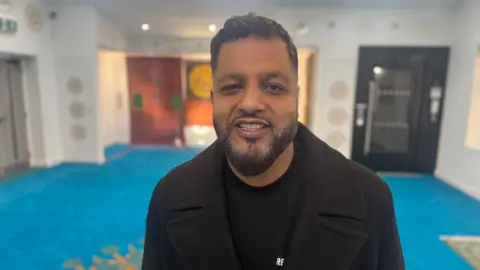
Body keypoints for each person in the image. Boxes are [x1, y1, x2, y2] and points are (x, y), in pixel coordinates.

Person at [142, 13, 405, 270]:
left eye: (274, 87)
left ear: (296, 99)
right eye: (232, 86)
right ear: (214, 99)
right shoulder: (169, 197)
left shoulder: (370, 198)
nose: (250, 104)